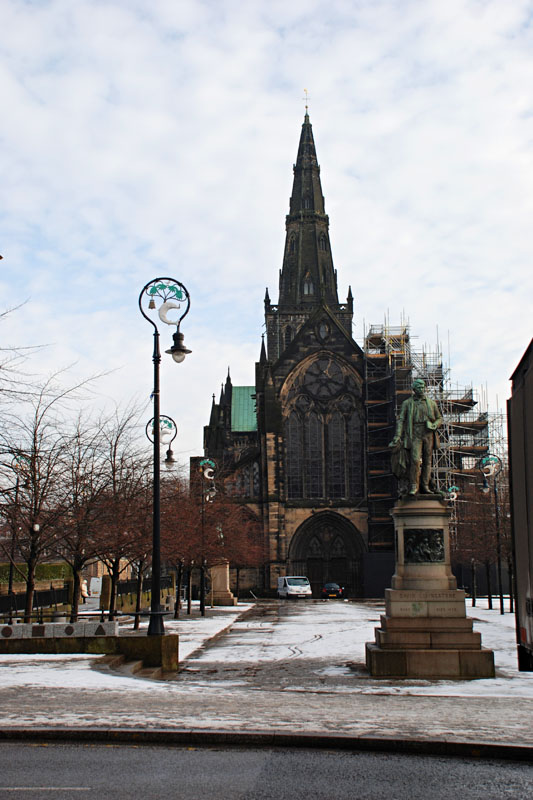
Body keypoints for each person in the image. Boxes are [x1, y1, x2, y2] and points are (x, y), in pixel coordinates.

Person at [389, 378, 442, 495]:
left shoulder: (431, 403)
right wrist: (397, 436)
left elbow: (439, 418)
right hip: (415, 433)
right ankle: (414, 486)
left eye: (423, 387)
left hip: (428, 433)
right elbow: (401, 419)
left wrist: (434, 425)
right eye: (419, 387)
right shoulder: (407, 403)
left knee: (428, 461)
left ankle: (425, 485)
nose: (421, 389)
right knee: (415, 460)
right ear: (414, 389)